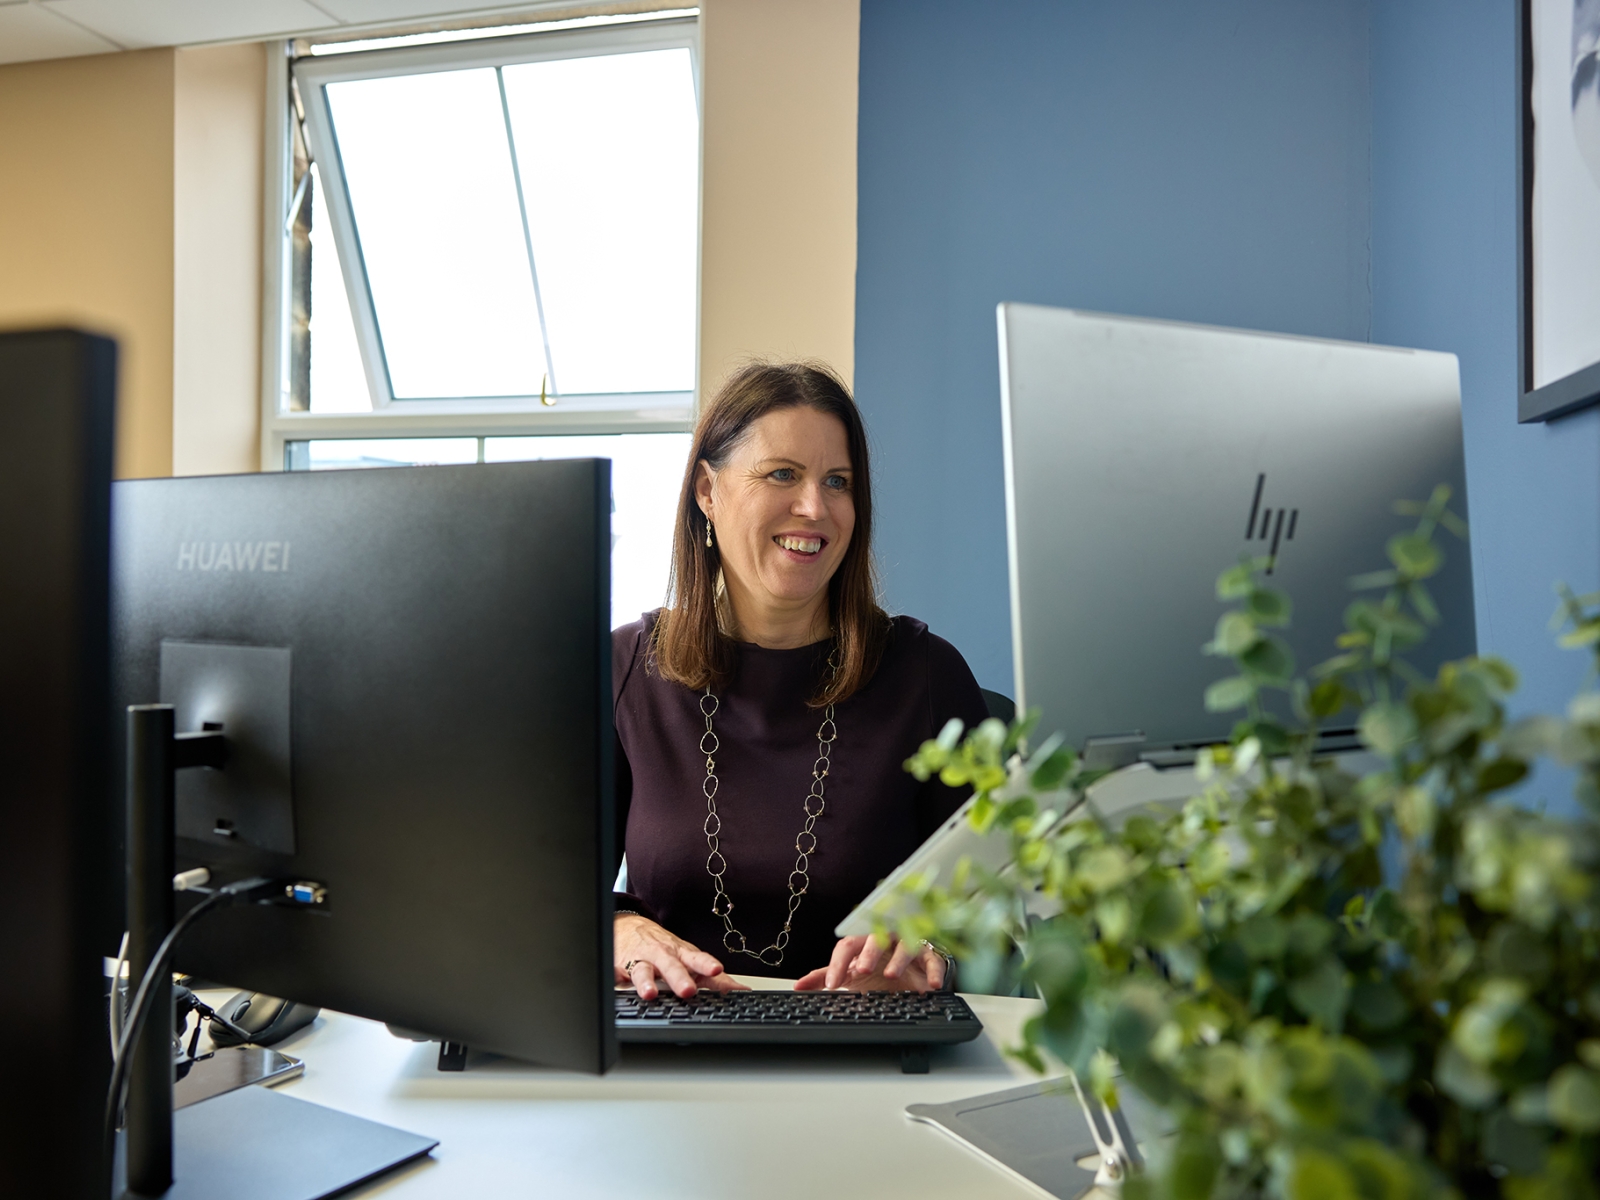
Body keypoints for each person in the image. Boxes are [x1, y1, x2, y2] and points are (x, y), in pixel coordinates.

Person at [611, 362, 990, 1000]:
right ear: (708, 491)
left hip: (866, 1057)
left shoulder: (927, 675)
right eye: (782, 473)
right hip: (667, 1053)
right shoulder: (625, 669)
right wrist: (618, 931)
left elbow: (997, 912)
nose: (814, 507)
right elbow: (544, 894)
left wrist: (932, 958)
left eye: (837, 481)